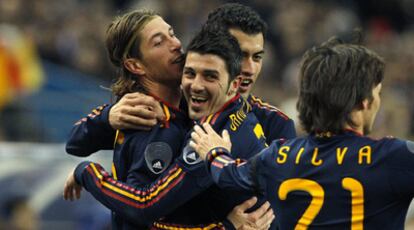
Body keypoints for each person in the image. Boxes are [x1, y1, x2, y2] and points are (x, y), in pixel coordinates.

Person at [64, 12, 273, 229]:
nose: (175, 44)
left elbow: (143, 208)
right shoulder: (148, 121)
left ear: (234, 83)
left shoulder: (205, 122)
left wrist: (86, 173)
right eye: (159, 42)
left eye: (171, 34)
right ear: (135, 65)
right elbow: (75, 142)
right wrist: (107, 118)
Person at [190, 35, 414, 229]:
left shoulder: (277, 157)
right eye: (378, 93)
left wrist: (213, 152)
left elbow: (228, 174)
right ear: (363, 103)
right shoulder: (394, 157)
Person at [65, 3, 296, 158]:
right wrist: (106, 119)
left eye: (257, 57)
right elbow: (75, 142)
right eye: (237, 54)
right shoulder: (152, 112)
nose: (248, 68)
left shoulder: (275, 123)